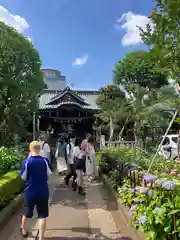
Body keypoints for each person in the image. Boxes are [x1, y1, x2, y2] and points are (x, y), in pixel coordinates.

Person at [20, 141, 52, 240]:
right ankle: (41, 237)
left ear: (30, 149)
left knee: (26, 212)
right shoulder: (45, 160)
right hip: (43, 191)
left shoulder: (26, 162)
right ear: (39, 149)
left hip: (30, 192)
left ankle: (24, 230)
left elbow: (23, 177)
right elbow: (49, 173)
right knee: (42, 215)